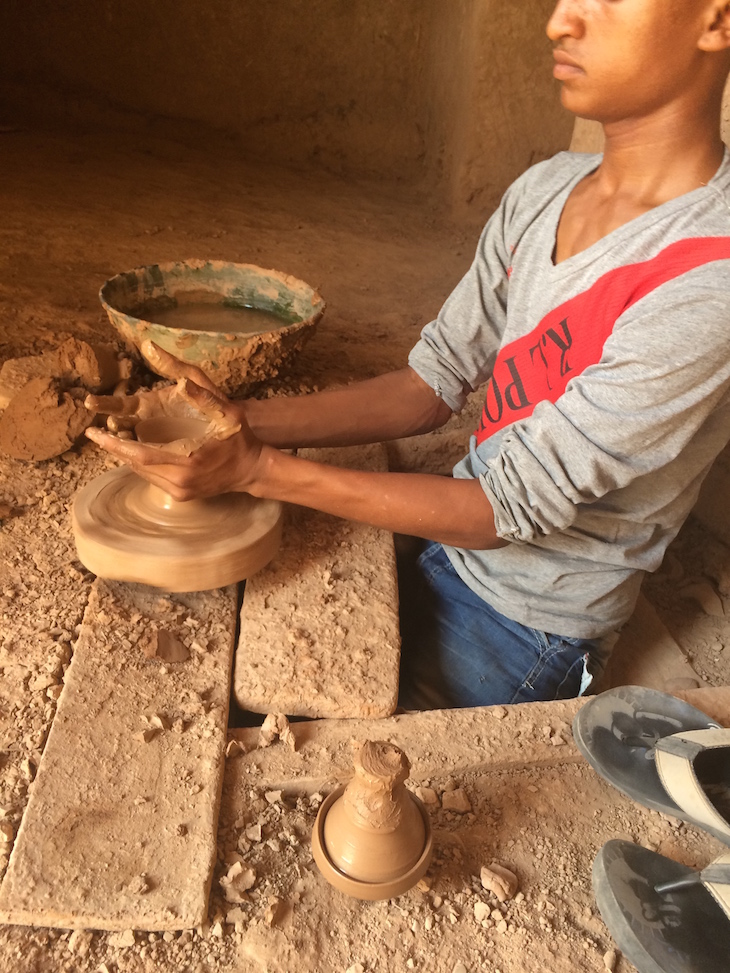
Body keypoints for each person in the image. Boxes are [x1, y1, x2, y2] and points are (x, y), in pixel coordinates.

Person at [86, 0, 730, 710]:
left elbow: (502, 509)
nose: (559, 22)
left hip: (531, 622)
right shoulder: (545, 190)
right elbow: (431, 383)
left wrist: (257, 470)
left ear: (717, 22)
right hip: (448, 539)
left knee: (324, 772)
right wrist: (238, 421)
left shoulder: (708, 277)